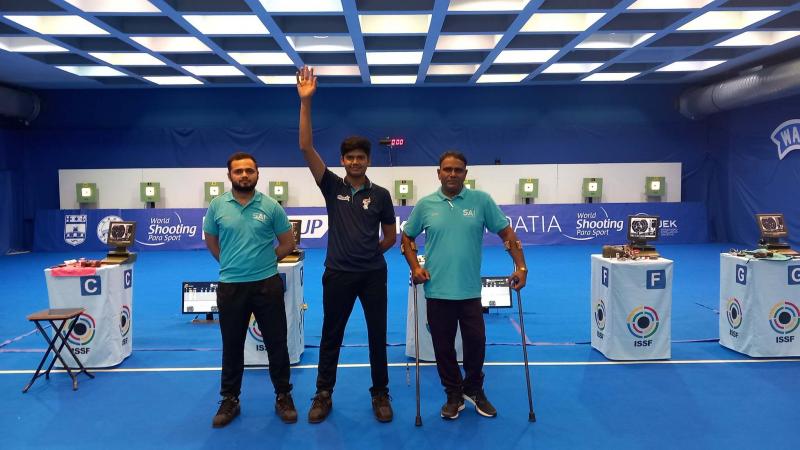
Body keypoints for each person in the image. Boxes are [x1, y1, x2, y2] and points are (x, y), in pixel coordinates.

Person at [296, 66, 397, 423]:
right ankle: (323, 393)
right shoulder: (332, 186)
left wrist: (372, 254)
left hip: (372, 276)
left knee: (376, 336)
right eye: (349, 158)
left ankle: (381, 393)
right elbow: (306, 146)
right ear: (343, 161)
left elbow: (391, 237)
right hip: (337, 274)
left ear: (368, 160)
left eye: (361, 158)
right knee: (331, 335)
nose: (355, 162)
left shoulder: (382, 195)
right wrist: (306, 102)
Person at [401, 151, 528, 420]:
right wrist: (415, 267)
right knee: (443, 347)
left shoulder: (481, 201)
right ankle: (453, 393)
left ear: (465, 174)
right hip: (436, 291)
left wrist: (521, 267)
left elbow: (507, 234)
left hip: (470, 291)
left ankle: (473, 389)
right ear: (438, 173)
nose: (452, 174)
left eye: (458, 170)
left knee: (476, 343)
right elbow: (407, 238)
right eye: (447, 169)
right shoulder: (425, 205)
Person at [204, 152, 298, 427]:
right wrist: (229, 263)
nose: (244, 175)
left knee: (276, 343)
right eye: (238, 171)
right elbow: (211, 240)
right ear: (229, 176)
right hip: (231, 286)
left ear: (258, 174)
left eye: (249, 171)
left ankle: (283, 395)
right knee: (231, 346)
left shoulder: (271, 207)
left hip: (267, 285)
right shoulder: (217, 206)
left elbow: (287, 242)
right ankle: (230, 398)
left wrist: (267, 261)